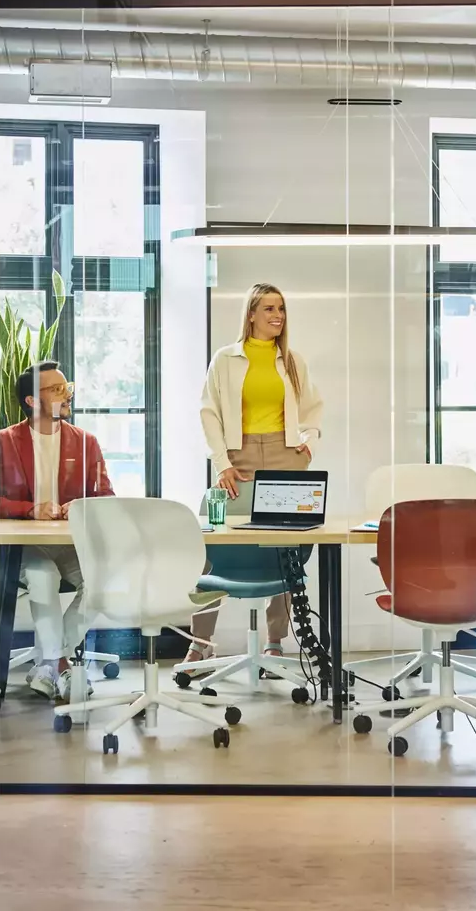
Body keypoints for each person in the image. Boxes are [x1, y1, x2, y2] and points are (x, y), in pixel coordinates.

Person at [183, 283, 324, 672]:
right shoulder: (226, 359)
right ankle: (201, 643)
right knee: (211, 542)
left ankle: (275, 639)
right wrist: (221, 462)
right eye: (268, 309)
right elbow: (208, 412)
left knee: (283, 546)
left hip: (286, 453)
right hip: (238, 454)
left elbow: (313, 407)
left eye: (281, 308)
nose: (277, 315)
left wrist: (308, 443)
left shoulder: (291, 360)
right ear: (250, 314)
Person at [0, 360, 113, 702]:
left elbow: (106, 497)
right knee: (43, 576)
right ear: (32, 401)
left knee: (102, 579)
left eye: (68, 388)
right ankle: (61, 662)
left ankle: (51, 662)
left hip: (70, 545)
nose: (67, 396)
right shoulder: (2, 442)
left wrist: (79, 506)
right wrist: (29, 510)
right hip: (23, 546)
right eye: (56, 390)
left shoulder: (86, 442)